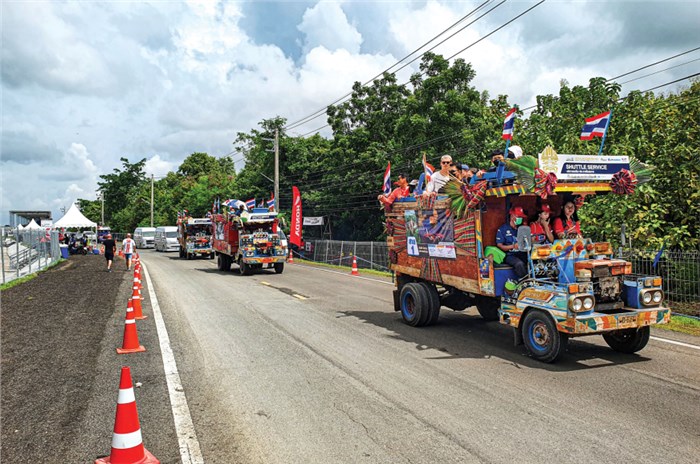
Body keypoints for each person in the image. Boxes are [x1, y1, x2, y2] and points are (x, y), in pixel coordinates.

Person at [496, 206, 529, 279]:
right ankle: (526, 282)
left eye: (521, 217)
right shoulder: (503, 229)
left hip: (522, 253)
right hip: (509, 255)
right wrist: (513, 246)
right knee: (519, 264)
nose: (520, 218)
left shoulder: (522, 228)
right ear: (512, 216)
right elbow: (500, 246)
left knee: (533, 260)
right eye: (518, 216)